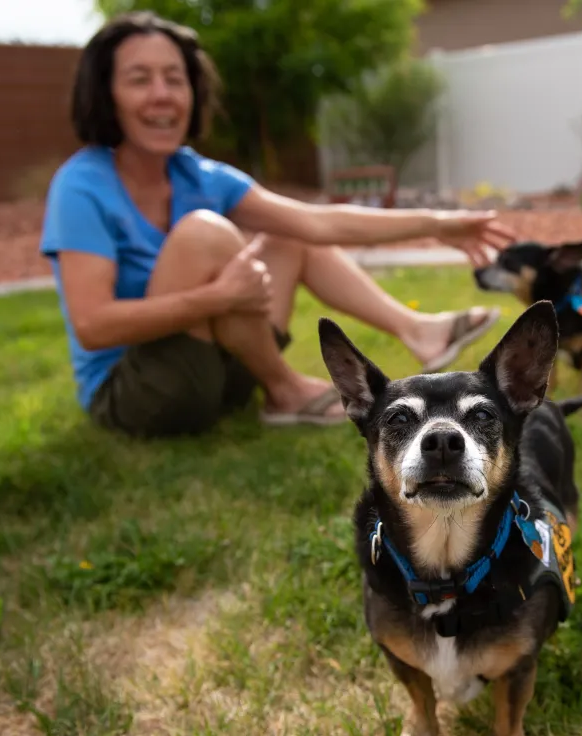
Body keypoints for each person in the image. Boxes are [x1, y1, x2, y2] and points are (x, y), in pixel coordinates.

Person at [39, 10, 517, 438]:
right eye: (140, 79)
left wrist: (435, 223)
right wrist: (219, 298)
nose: (162, 95)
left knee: (290, 232)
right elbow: (92, 326)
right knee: (205, 234)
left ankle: (417, 330)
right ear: (106, 94)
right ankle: (285, 387)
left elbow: (318, 223)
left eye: (174, 78)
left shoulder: (198, 173)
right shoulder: (81, 186)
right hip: (139, 391)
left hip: (215, 377)